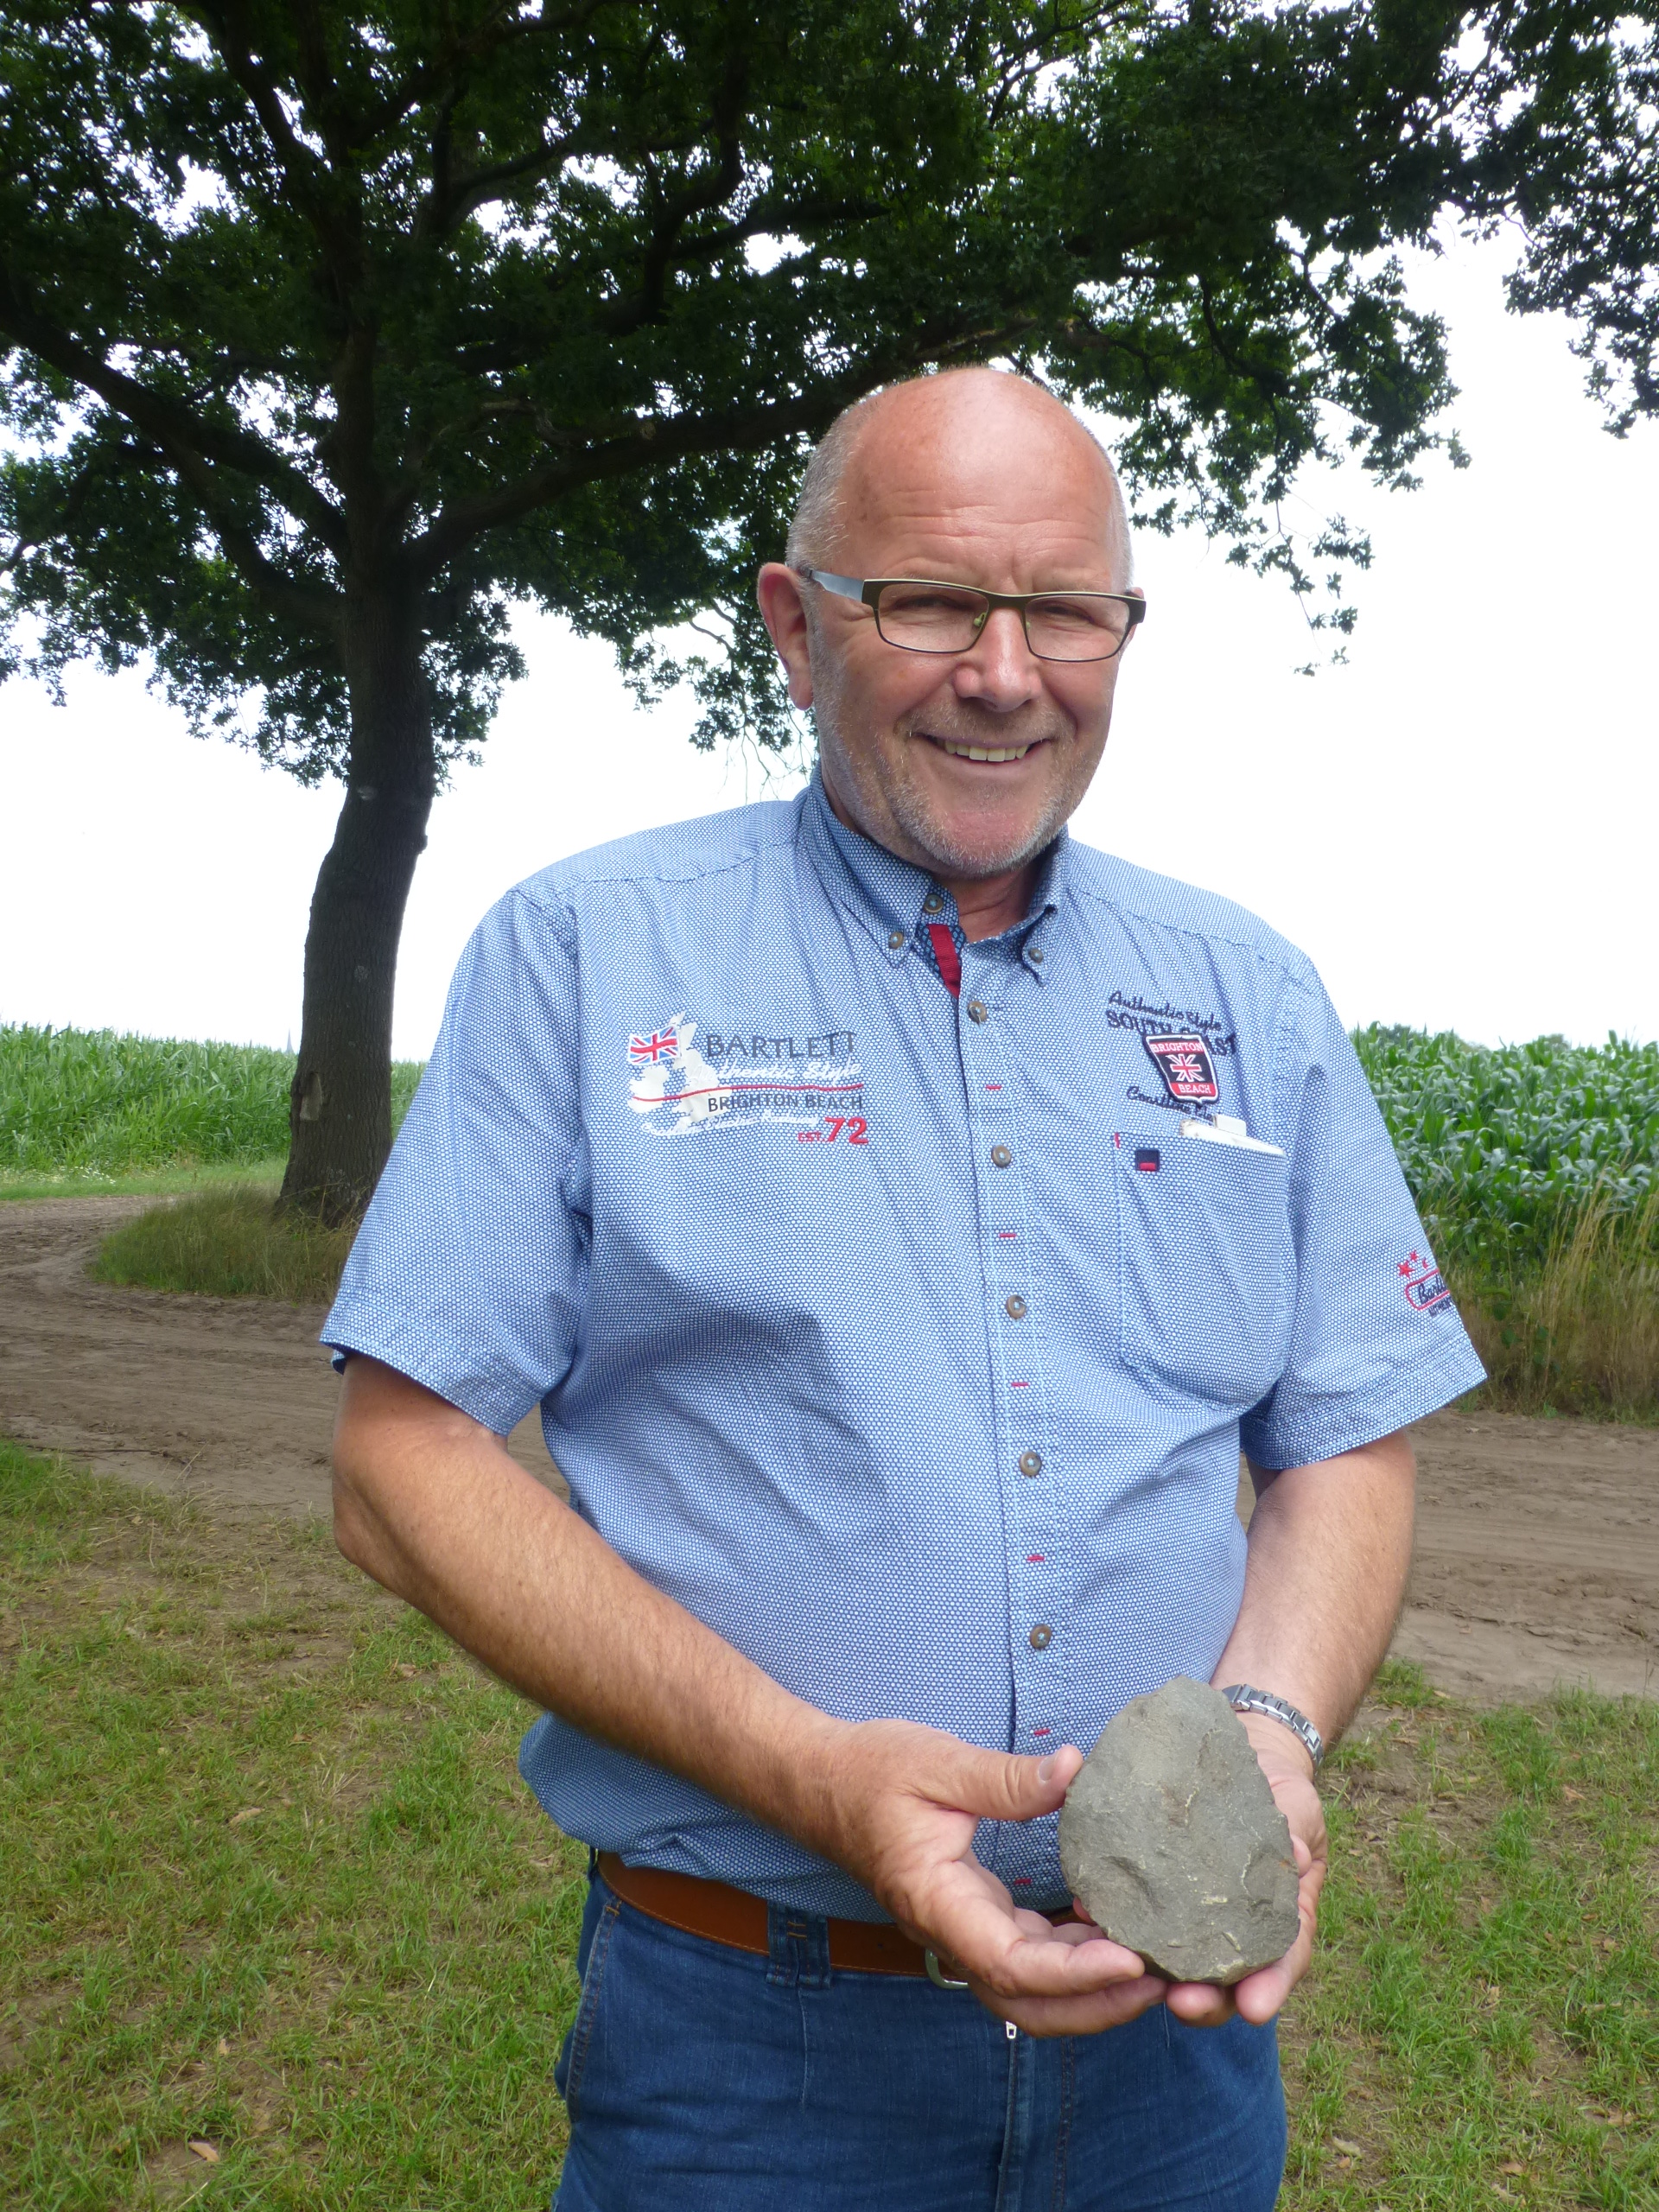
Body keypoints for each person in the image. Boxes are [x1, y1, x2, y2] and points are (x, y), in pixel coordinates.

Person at [324, 367, 1484, 2211]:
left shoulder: (1250, 993)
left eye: (1067, 611)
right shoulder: (586, 949)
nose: (1006, 671)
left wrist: (1263, 1734)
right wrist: (811, 1769)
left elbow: (1347, 1435)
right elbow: (399, 1467)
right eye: (935, 600)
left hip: (1177, 2049)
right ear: (797, 625)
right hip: (752, 2049)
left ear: (1123, 631)